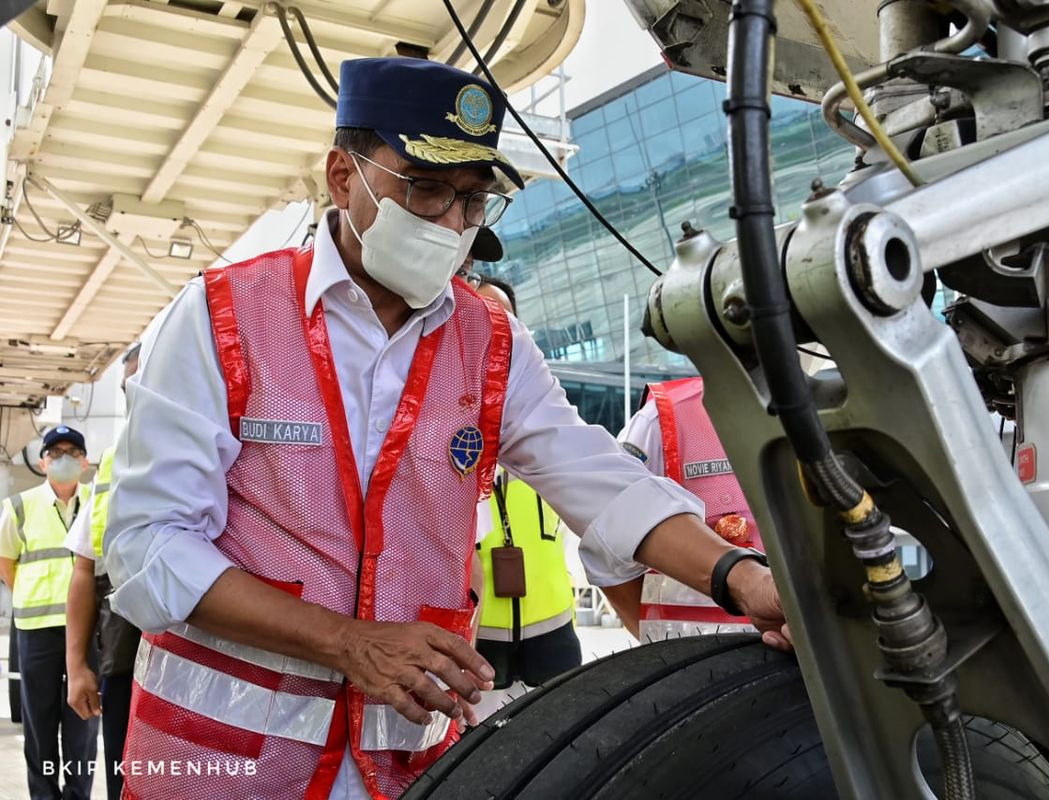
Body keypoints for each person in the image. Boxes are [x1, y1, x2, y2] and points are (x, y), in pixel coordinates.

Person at [104, 57, 789, 799]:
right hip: (220, 765)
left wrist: (740, 575)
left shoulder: (489, 342)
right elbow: (146, 548)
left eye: (473, 199)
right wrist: (346, 642)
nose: (453, 224)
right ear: (343, 176)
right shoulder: (222, 316)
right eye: (425, 188)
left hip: (404, 769)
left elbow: (599, 480)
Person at [471, 276, 582, 719]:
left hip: (554, 630)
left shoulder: (543, 420)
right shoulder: (445, 423)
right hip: (480, 637)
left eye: (503, 320)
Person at [613, 377, 765, 642]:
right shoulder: (664, 419)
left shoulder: (841, 413)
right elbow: (610, 536)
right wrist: (652, 637)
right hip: (696, 661)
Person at [0, 425, 99, 800]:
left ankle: (77, 795)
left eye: (72, 452)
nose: (63, 459)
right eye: (54, 452)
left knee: (84, 723)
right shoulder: (19, 506)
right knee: (39, 722)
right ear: (42, 462)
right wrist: (29, 593)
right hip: (36, 628)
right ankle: (43, 795)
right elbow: (5, 561)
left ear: (84, 461)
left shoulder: (97, 502)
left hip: (88, 630)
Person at [64, 343, 144, 800]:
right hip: (124, 660)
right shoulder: (114, 463)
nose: (135, 394)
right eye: (126, 387)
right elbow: (83, 569)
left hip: (202, 663)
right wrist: (77, 667)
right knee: (124, 780)